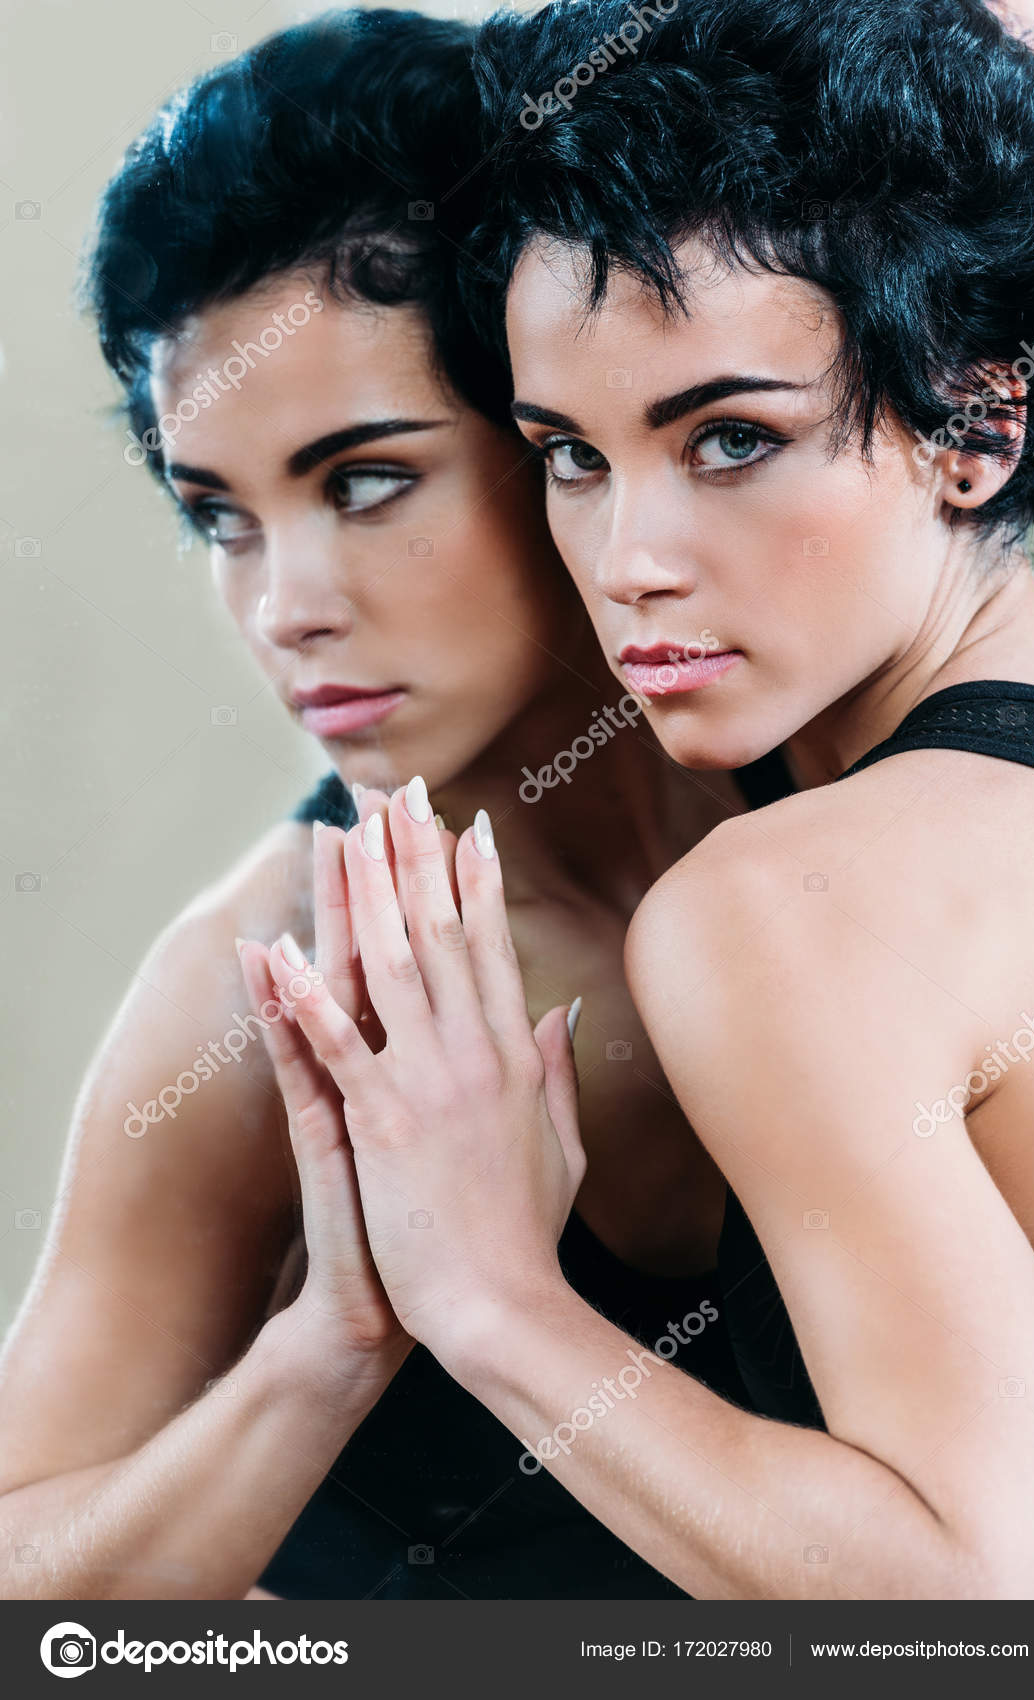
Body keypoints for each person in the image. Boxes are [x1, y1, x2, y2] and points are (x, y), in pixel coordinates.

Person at [264, 0, 1034, 1598]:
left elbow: (991, 1602)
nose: (632, 562)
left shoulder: (787, 908)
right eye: (571, 453)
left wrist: (489, 1297)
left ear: (976, 425)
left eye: (731, 439)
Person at [0, 8, 778, 1602]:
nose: (282, 605)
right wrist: (339, 1334)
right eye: (216, 513)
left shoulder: (901, 819)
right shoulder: (267, 989)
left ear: (558, 425)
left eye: (364, 480)